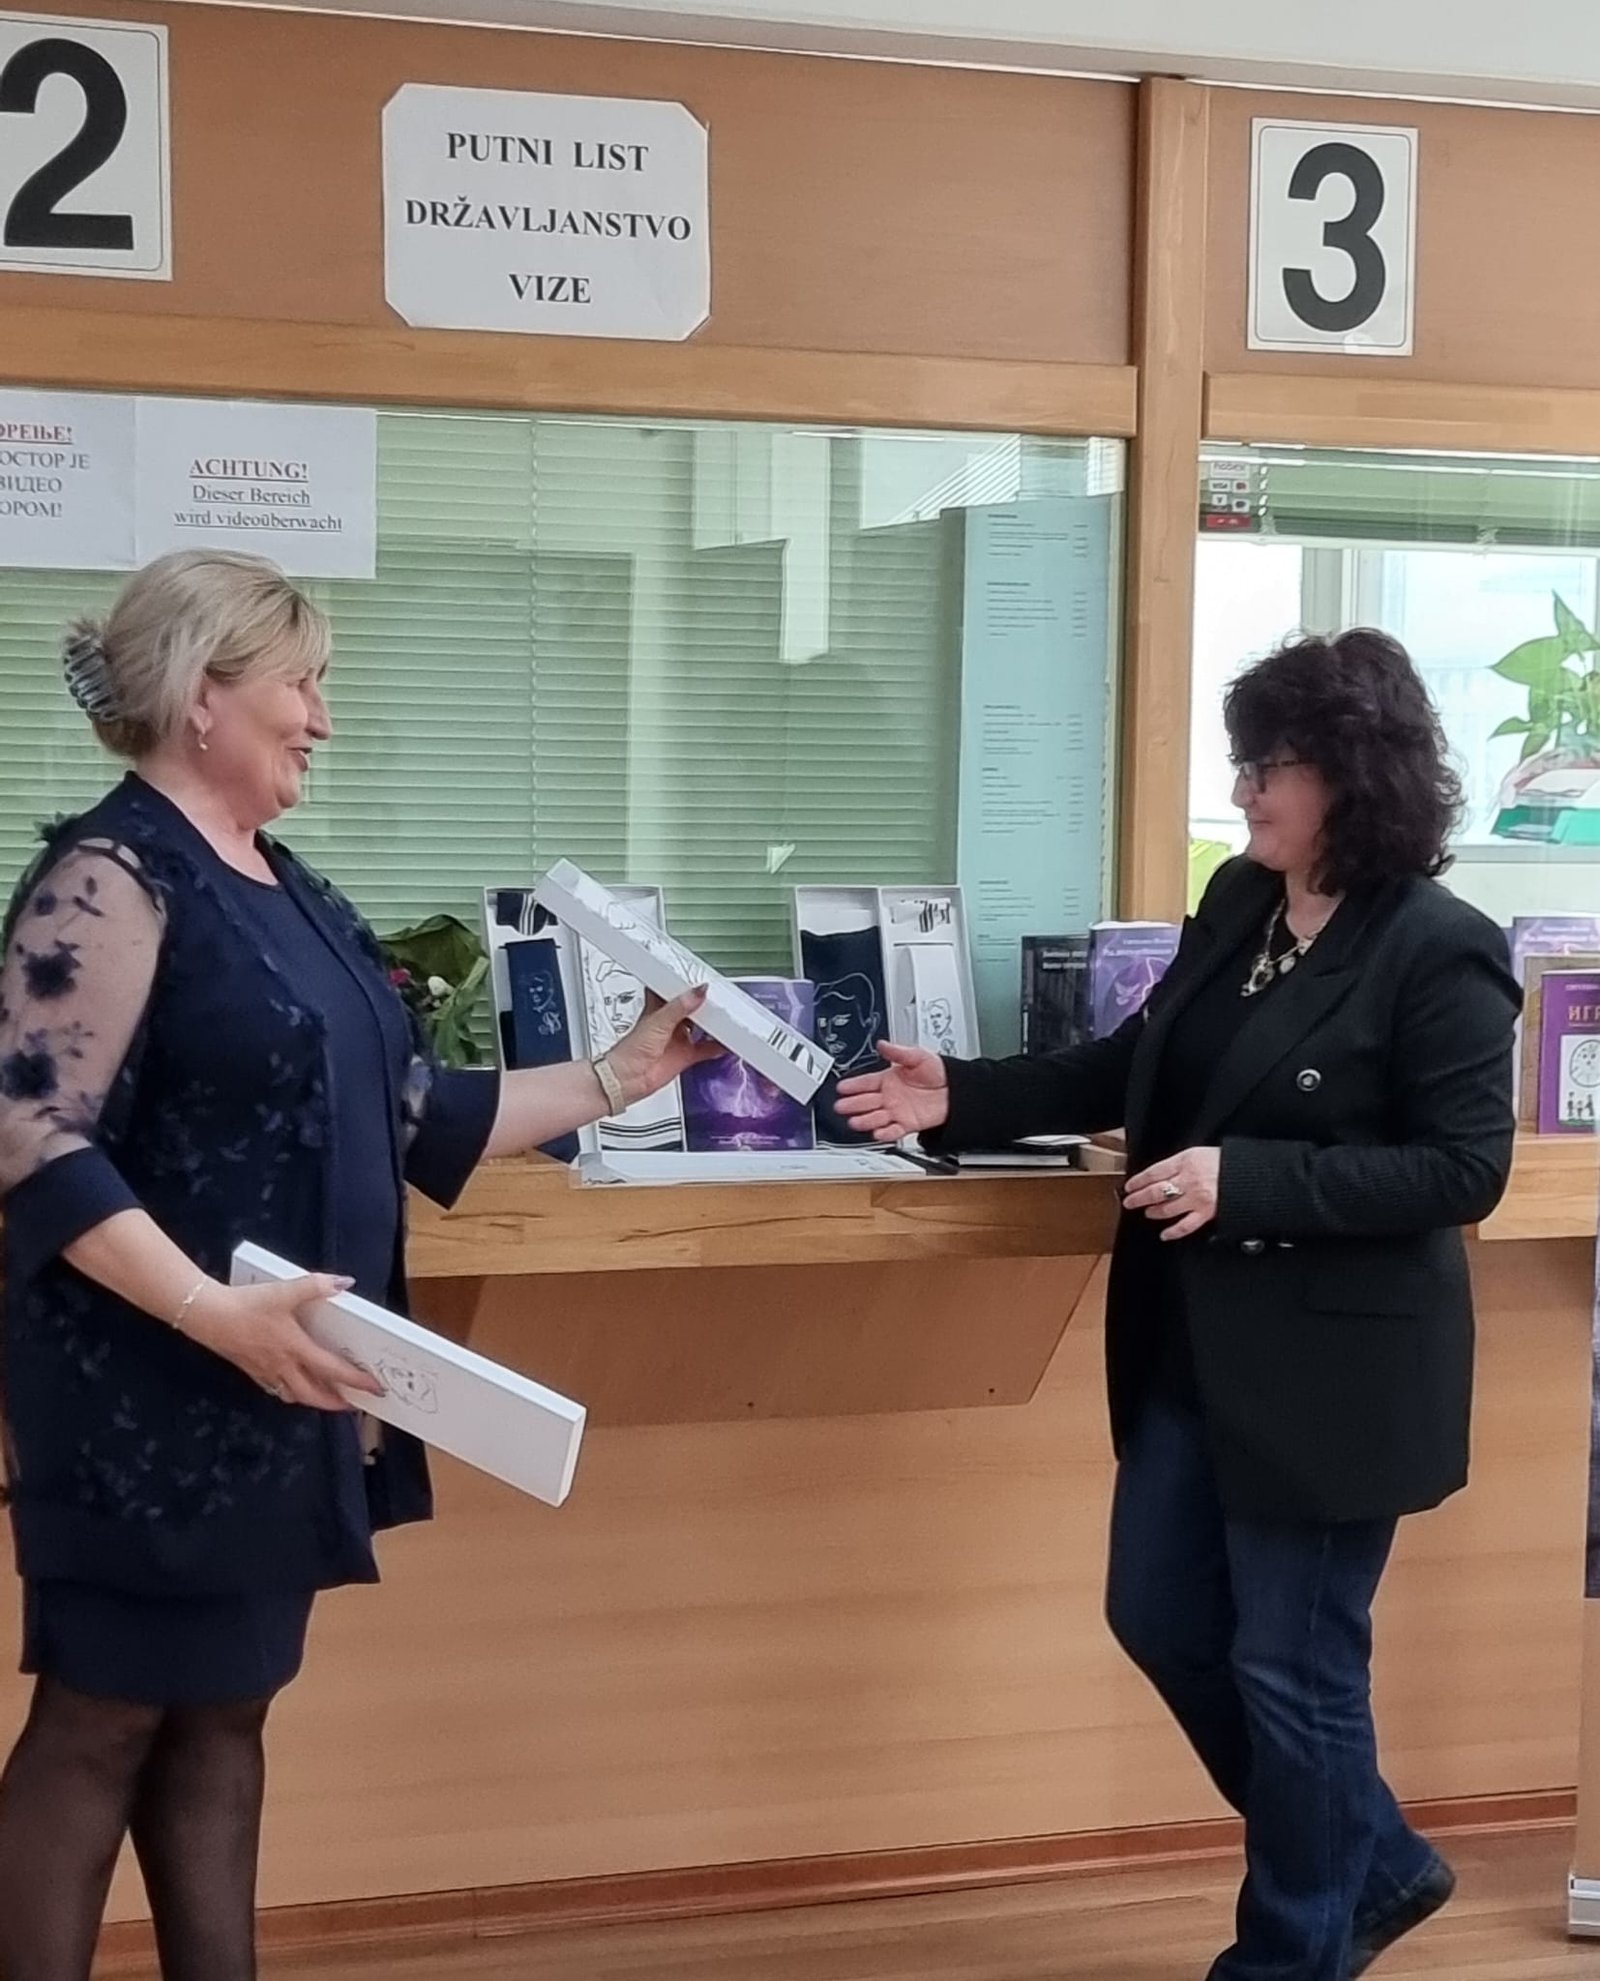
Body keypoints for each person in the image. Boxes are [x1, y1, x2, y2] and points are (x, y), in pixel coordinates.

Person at [0, 549, 716, 1981]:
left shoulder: (288, 886)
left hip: (278, 1381)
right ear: (202, 696)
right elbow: (27, 1131)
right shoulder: (109, 874)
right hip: (145, 1394)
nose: (323, 717)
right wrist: (212, 1312)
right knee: (99, 1724)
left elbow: (410, 1109)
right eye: (302, 683)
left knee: (226, 1713)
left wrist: (619, 1075)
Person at [838, 629, 1520, 1981]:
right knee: (1157, 1613)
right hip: (1193, 1352)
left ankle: (1290, 1951)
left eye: (1274, 763)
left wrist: (1247, 1177)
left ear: (1356, 774)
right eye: (1244, 759)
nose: (1246, 786)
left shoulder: (1441, 949)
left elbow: (1464, 1170)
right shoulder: (1241, 898)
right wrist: (960, 1095)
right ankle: (1375, 1860)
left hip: (1331, 1382)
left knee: (1294, 1668)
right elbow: (1138, 1063)